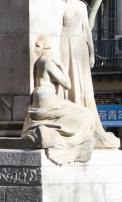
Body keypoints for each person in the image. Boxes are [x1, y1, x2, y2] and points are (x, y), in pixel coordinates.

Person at [59, 0, 119, 148]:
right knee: (68, 79)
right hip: (64, 44)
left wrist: (92, 53)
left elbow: (87, 30)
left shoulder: (81, 6)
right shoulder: (60, 7)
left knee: (81, 81)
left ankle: (80, 111)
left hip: (79, 46)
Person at [22, 36, 98, 164]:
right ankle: (56, 137)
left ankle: (50, 132)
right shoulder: (47, 62)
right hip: (48, 99)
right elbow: (67, 84)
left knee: (77, 113)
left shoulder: (38, 62)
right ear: (49, 49)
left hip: (39, 98)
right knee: (87, 115)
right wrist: (62, 66)